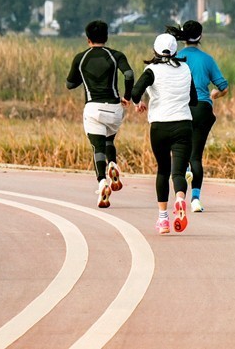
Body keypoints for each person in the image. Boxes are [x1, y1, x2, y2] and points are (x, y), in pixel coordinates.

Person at [66, 19, 135, 209]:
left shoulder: (81, 58)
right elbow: (128, 75)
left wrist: (84, 75)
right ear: (106, 37)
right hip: (114, 109)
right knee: (109, 141)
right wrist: (127, 96)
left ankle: (102, 182)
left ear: (88, 39)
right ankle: (112, 163)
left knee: (98, 148)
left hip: (93, 109)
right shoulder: (116, 55)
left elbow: (70, 84)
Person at [131, 32, 196, 234]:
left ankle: (163, 219)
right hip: (183, 124)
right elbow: (193, 99)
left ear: (156, 51)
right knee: (178, 172)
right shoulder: (186, 69)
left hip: (159, 126)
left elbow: (135, 92)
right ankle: (179, 199)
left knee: (163, 170)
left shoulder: (151, 70)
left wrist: (139, 102)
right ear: (176, 50)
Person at [173, 19, 228, 212]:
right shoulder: (207, 59)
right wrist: (215, 94)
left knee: (179, 151)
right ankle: (195, 199)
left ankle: (185, 173)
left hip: (181, 109)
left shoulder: (176, 57)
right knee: (196, 155)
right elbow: (223, 86)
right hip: (203, 109)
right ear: (200, 36)